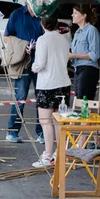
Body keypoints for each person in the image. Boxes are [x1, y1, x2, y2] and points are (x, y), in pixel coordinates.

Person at [31, 15, 72, 168]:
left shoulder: (42, 40)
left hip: (47, 84)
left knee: (45, 121)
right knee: (58, 120)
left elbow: (40, 63)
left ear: (42, 24)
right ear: (56, 24)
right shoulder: (64, 39)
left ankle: (48, 154)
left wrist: (33, 67)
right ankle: (59, 153)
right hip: (64, 83)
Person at [4, 1, 45, 144]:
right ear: (28, 0)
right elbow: (7, 37)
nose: (39, 3)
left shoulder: (43, 15)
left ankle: (42, 133)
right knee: (20, 96)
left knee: (42, 98)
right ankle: (12, 131)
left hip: (41, 62)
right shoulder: (17, 15)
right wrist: (24, 45)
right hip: (23, 62)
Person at [69, 4, 100, 101]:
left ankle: (87, 116)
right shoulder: (77, 33)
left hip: (88, 69)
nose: (72, 15)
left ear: (84, 16)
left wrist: (74, 55)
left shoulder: (92, 30)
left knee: (84, 100)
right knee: (78, 100)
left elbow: (94, 55)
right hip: (77, 68)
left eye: (75, 13)